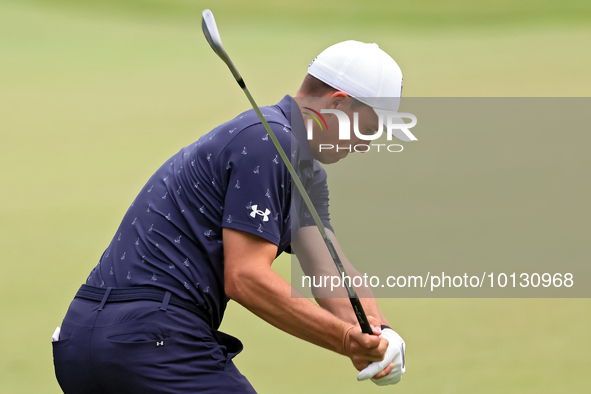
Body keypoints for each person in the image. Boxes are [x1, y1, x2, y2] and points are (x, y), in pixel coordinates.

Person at [52, 40, 410, 393]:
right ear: (338, 105)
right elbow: (245, 277)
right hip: (152, 338)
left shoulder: (298, 164)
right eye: (369, 127)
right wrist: (345, 339)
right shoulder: (270, 143)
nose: (366, 143)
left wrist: (380, 335)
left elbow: (329, 269)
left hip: (80, 340)